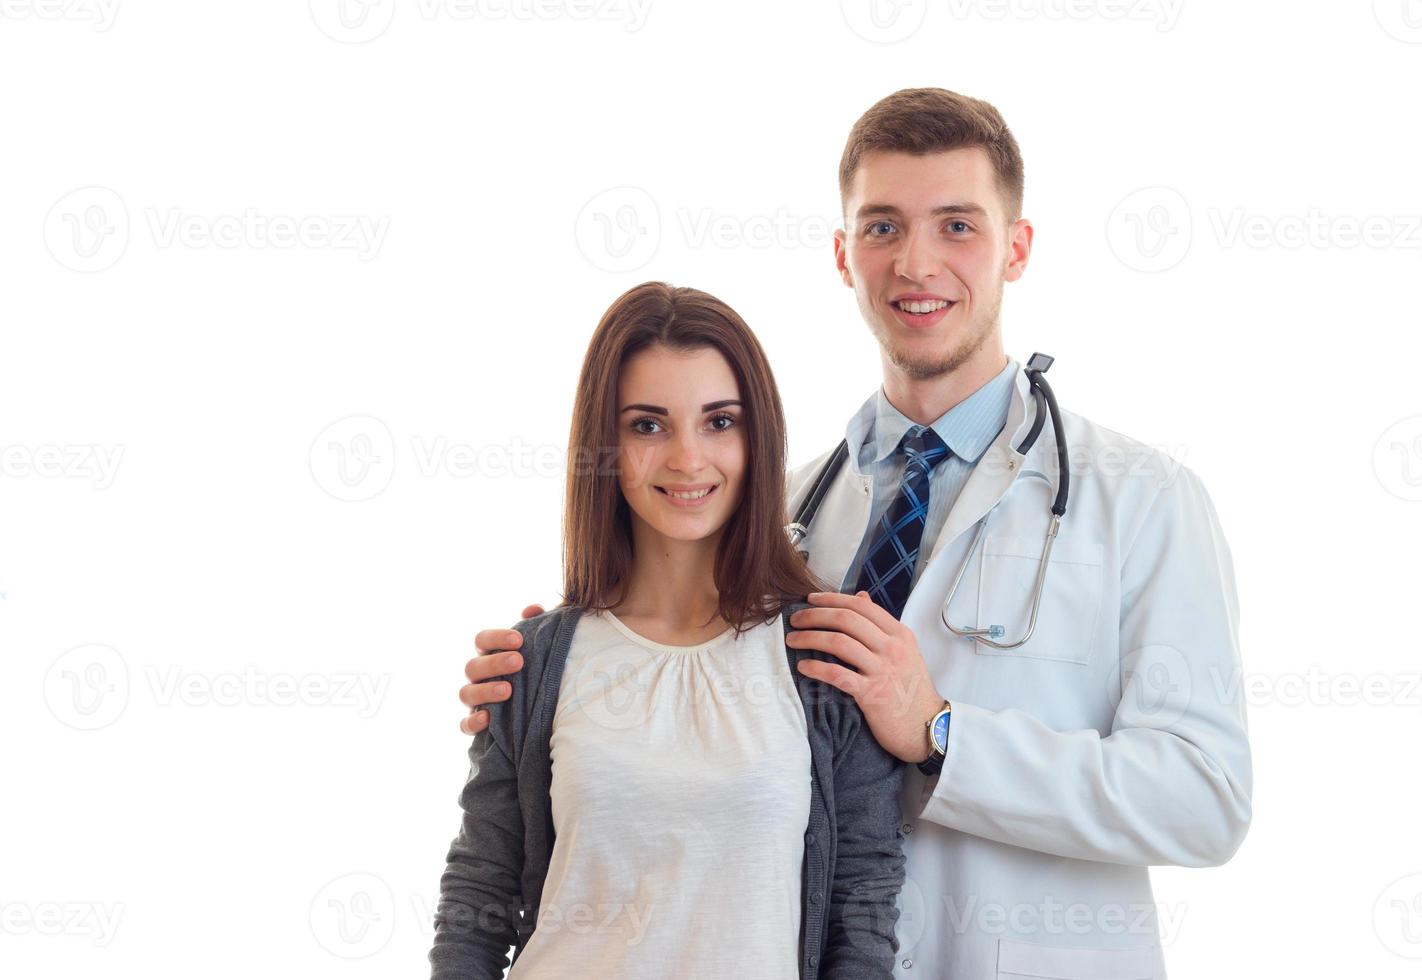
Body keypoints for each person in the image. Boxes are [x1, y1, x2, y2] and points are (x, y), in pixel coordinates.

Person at [456, 89, 1253, 979]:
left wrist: (943, 733)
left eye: (958, 225)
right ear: (843, 254)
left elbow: (1206, 799)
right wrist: (547, 671)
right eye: (882, 227)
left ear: (1016, 249)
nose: (917, 263)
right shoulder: (778, 512)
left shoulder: (1141, 500)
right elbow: (660, 692)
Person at [429, 282, 907, 980]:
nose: (687, 459)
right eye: (647, 426)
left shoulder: (823, 658)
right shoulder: (533, 664)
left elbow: (862, 905)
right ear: (605, 444)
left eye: (720, 422)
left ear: (758, 434)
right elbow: (477, 897)